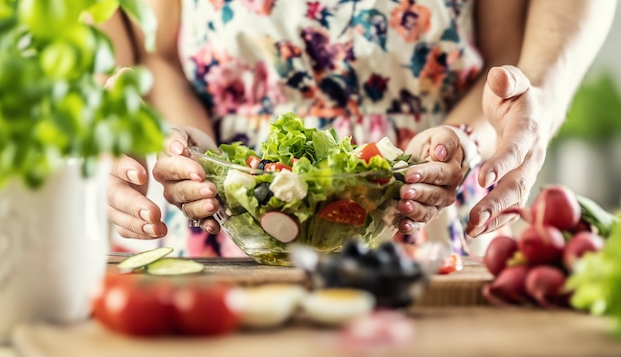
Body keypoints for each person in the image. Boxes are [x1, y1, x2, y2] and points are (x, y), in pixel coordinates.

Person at [102, 0, 616, 257]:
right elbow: (160, 54)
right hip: (219, 214)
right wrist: (187, 144)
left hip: (417, 204)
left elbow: (499, 69)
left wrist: (461, 138)